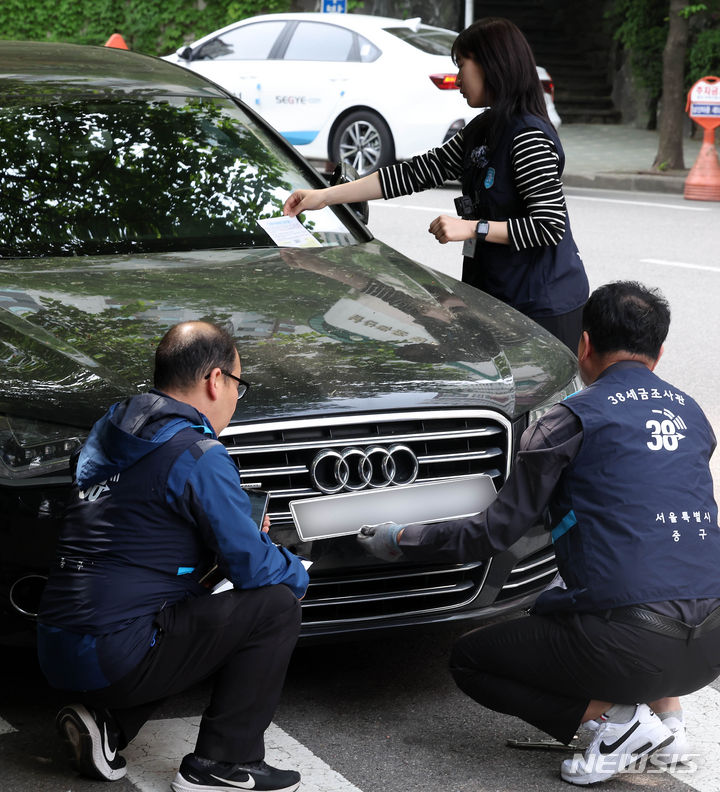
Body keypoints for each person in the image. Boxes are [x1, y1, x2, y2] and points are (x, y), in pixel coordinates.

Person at [357, 281, 720, 784]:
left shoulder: (568, 421)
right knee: (660, 564)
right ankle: (671, 725)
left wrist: (397, 539)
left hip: (631, 644)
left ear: (584, 344)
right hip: (709, 649)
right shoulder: (694, 417)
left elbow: (493, 532)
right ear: (659, 352)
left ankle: (619, 724)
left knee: (471, 660)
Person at [37, 321, 308, 792]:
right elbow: (253, 567)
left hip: (57, 643)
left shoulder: (108, 434)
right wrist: (293, 570)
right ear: (215, 380)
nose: (234, 400)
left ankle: (109, 724)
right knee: (276, 602)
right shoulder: (198, 452)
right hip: (116, 651)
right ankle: (223, 764)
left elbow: (137, 532)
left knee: (188, 596)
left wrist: (232, 534)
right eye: (238, 386)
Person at [283, 17, 589, 351]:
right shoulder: (484, 128)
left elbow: (548, 226)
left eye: (461, 65)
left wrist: (474, 229)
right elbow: (414, 173)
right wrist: (324, 197)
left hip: (540, 307)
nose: (457, 78)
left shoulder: (527, 136)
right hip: (493, 295)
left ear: (491, 64)